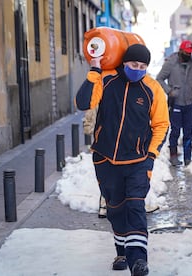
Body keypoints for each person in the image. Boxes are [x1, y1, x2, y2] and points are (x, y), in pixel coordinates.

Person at [75, 43, 170, 276]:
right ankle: (122, 252)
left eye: (142, 66)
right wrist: (95, 70)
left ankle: (138, 260)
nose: (137, 69)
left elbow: (161, 125)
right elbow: (83, 102)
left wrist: (151, 155)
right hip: (106, 160)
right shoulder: (107, 80)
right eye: (133, 64)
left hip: (138, 161)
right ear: (124, 63)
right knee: (116, 208)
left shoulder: (153, 89)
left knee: (135, 206)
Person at [156, 39, 192, 166]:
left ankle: (188, 158)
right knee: (175, 131)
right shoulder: (171, 63)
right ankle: (173, 155)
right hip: (176, 104)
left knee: (188, 132)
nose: (189, 55)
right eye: (186, 52)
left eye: (190, 53)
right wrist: (169, 91)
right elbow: (159, 79)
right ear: (180, 51)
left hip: (189, 104)